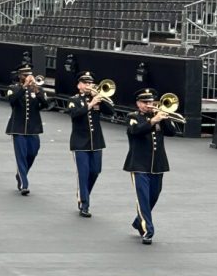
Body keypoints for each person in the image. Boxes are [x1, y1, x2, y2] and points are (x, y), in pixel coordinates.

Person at [124, 88, 176, 244]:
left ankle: (138, 221)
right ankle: (148, 230)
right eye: (145, 102)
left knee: (154, 195)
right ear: (138, 104)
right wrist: (153, 121)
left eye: (151, 101)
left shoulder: (159, 116)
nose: (149, 104)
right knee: (143, 198)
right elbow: (135, 131)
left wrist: (164, 117)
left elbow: (172, 132)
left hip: (158, 164)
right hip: (139, 163)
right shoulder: (133, 117)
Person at [68, 72, 115, 218]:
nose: (88, 85)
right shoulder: (74, 100)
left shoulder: (97, 98)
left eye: (90, 83)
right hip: (80, 142)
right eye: (85, 83)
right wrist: (90, 104)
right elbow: (75, 114)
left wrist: (101, 99)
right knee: (83, 173)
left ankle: (84, 193)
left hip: (96, 142)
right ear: (79, 85)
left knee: (95, 171)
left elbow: (111, 112)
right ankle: (84, 203)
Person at [5, 63, 48, 195]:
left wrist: (37, 90)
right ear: (20, 76)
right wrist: (24, 87)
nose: (28, 77)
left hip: (33, 128)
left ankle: (20, 174)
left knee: (32, 153)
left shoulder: (36, 89)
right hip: (18, 128)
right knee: (21, 155)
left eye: (29, 75)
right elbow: (12, 101)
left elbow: (45, 104)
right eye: (25, 75)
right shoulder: (14, 88)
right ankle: (24, 183)